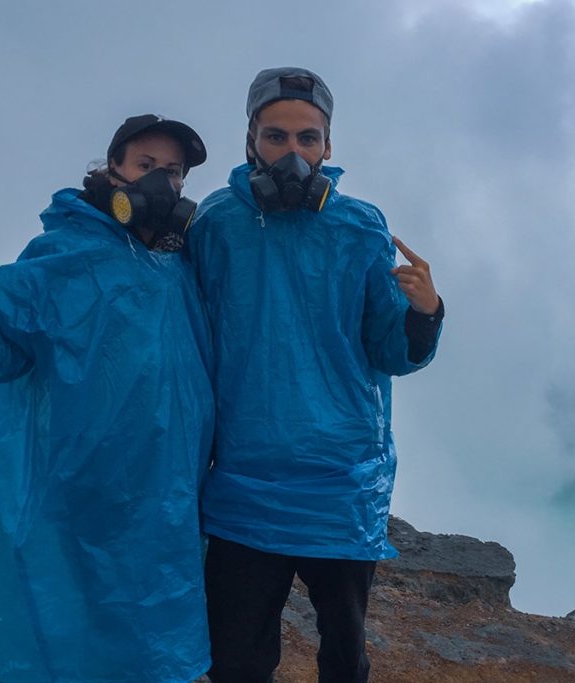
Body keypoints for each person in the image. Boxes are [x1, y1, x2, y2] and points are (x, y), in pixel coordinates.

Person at [0, 115, 216, 683]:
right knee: (75, 636)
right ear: (113, 170)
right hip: (78, 493)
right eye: (145, 166)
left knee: (157, 634)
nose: (160, 183)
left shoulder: (179, 268)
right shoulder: (65, 255)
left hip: (164, 495)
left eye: (172, 173)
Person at [189, 67, 444, 683]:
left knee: (343, 653)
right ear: (251, 139)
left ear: (328, 146)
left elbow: (389, 352)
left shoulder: (360, 226)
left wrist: (425, 311)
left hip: (341, 477)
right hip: (245, 478)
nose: (293, 152)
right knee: (239, 658)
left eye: (308, 138)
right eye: (277, 137)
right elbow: (186, 338)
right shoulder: (216, 224)